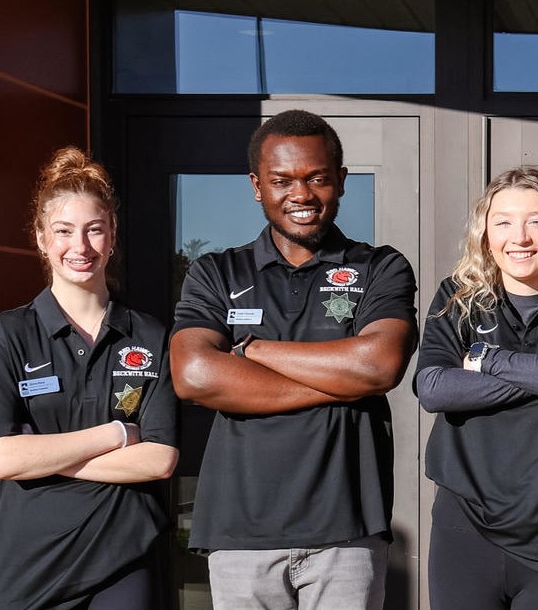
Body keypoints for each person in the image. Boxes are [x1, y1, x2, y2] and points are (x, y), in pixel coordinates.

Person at [169, 109, 418, 608]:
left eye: (317, 178)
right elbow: (194, 374)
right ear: (257, 186)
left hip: (346, 526)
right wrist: (340, 377)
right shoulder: (216, 271)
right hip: (239, 531)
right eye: (281, 180)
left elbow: (378, 366)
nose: (301, 195)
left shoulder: (380, 267)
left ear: (341, 182)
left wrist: (252, 351)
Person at [0, 146, 178, 609]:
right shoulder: (9, 335)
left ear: (112, 236)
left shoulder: (148, 335)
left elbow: (159, 460)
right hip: (27, 563)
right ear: (42, 238)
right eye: (64, 231)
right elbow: (1, 460)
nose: (79, 247)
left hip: (124, 556)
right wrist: (116, 433)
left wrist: (42, 453)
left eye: (94, 230)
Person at [412, 168, 538, 609]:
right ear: (485, 233)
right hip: (465, 530)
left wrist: (487, 362)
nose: (519, 237)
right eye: (503, 222)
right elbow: (433, 388)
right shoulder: (457, 299)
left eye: (535, 221)